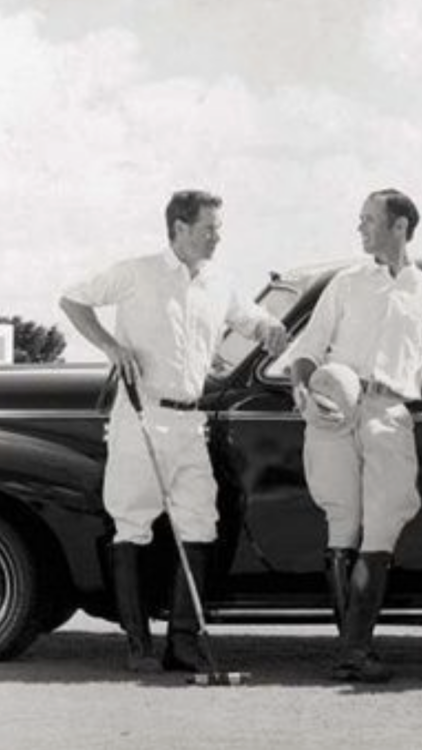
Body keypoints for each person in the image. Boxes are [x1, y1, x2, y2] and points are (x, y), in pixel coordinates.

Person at [59, 190, 287, 673]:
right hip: (141, 416)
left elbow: (250, 319)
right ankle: (138, 644)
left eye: (219, 228)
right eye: (209, 228)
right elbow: (73, 299)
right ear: (180, 228)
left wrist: (271, 328)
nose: (217, 237)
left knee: (201, 523)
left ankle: (181, 643)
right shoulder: (137, 272)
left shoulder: (218, 282)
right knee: (132, 524)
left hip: (190, 422)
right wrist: (110, 346)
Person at [287, 188, 422, 683]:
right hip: (334, 408)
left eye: (369, 219)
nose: (360, 227)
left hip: (391, 411)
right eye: (361, 219)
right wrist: (305, 389)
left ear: (400, 226)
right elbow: (307, 349)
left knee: (384, 523)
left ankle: (352, 648)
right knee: (341, 522)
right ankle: (353, 650)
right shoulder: (345, 284)